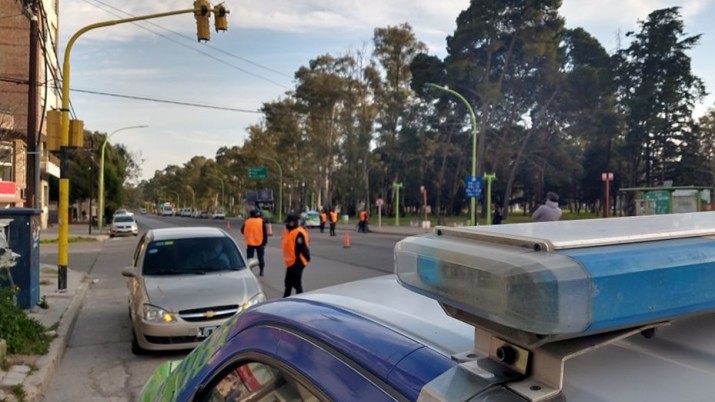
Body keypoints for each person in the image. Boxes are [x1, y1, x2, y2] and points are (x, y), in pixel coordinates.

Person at [282, 214, 310, 297]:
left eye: (288, 222)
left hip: (298, 261)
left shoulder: (298, 232)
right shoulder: (288, 232)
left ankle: (301, 300)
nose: (286, 224)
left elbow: (302, 247)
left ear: (292, 223)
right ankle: (285, 299)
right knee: (288, 283)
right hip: (290, 261)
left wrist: (307, 257)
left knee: (296, 283)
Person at [241, 210, 267, 276]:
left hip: (250, 242)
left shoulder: (247, 221)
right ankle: (261, 271)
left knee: (250, 258)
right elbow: (265, 233)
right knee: (260, 257)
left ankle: (249, 271)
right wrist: (264, 242)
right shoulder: (261, 221)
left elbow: (242, 230)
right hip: (260, 242)